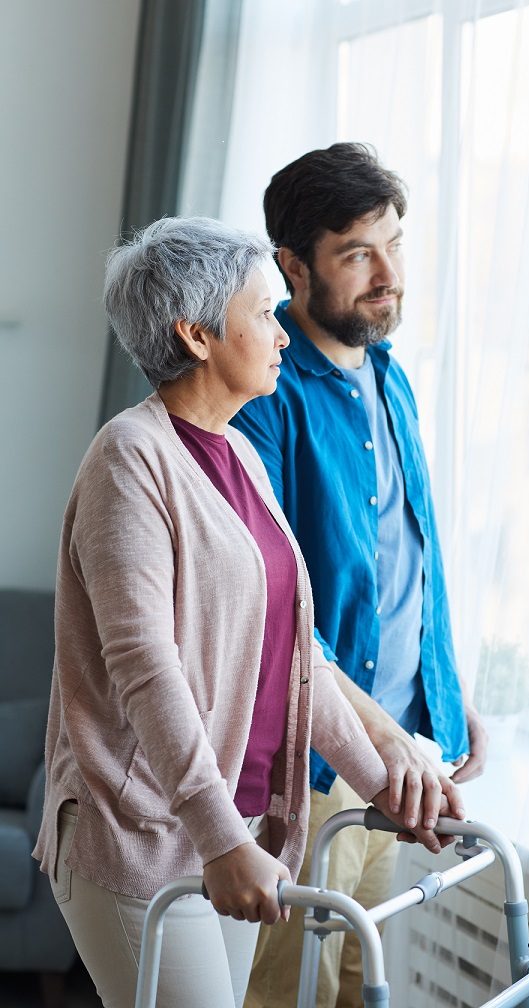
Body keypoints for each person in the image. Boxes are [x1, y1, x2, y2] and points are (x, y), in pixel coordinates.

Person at [33, 216, 465, 1008]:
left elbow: (299, 656)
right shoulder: (129, 460)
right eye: (264, 315)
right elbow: (145, 668)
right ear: (197, 336)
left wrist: (387, 788)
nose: (282, 336)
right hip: (144, 836)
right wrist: (220, 834)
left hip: (228, 830)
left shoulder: (233, 454)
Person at [230, 143, 489, 1008]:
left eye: (397, 243)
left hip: (402, 745)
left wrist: (444, 696)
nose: (389, 275)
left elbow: (409, 560)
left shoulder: (389, 374)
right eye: (357, 253)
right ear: (293, 268)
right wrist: (378, 739)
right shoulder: (263, 393)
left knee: (354, 985)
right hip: (315, 757)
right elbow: (272, 606)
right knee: (284, 988)